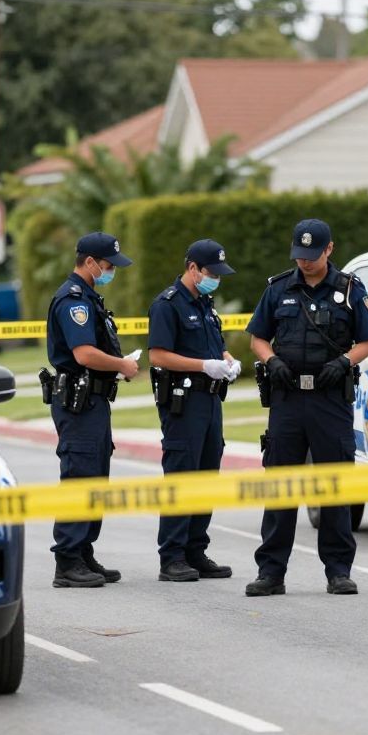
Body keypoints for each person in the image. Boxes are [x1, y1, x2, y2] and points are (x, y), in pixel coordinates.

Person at [244, 219, 368, 597]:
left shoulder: (350, 290)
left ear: (329, 250)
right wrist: (272, 362)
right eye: (299, 256)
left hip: (330, 398)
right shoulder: (278, 289)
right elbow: (257, 337)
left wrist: (344, 363)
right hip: (287, 397)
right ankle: (271, 572)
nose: (304, 262)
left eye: (312, 255)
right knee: (281, 484)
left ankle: (338, 571)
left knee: (333, 486)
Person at [47, 231, 139, 588]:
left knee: (96, 476)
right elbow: (83, 355)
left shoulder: (89, 297)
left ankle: (83, 551)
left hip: (94, 401)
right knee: (80, 476)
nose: (110, 270)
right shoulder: (74, 301)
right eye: (106, 265)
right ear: (89, 263)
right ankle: (67, 560)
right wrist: (121, 364)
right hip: (78, 403)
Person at [147, 239, 242, 582]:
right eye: (211, 273)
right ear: (192, 269)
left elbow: (215, 347)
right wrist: (204, 366)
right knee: (182, 474)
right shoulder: (167, 305)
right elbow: (158, 355)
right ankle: (171, 555)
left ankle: (195, 550)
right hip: (182, 402)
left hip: (210, 400)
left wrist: (227, 362)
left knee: (206, 473)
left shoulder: (205, 305)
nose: (215, 278)